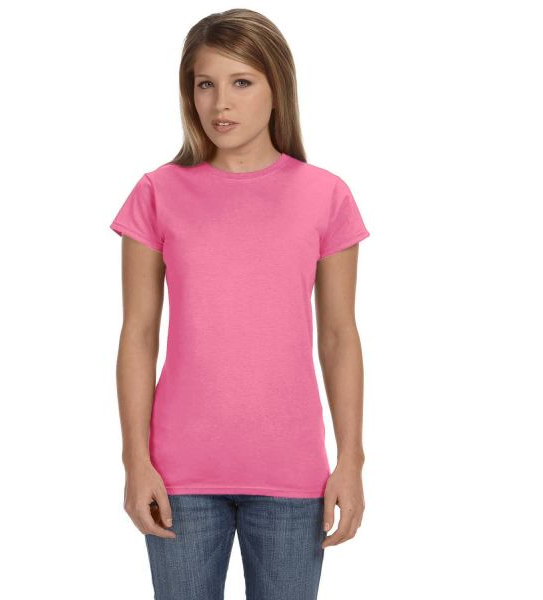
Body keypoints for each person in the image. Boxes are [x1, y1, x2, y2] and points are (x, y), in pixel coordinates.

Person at [109, 8, 369, 600]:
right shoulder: (157, 192)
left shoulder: (325, 195)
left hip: (292, 474)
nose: (220, 102)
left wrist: (350, 461)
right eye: (205, 83)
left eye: (241, 82)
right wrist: (134, 461)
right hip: (178, 475)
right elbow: (138, 335)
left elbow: (339, 337)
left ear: (278, 88)